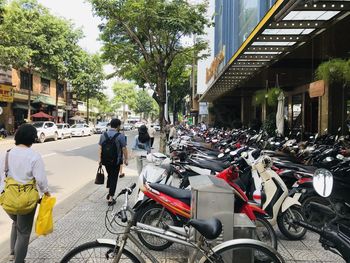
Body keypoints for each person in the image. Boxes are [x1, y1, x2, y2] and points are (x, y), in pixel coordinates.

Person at [0, 124, 50, 263]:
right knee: (24, 232)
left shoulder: (6, 153)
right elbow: (41, 180)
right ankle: (18, 260)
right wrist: (46, 193)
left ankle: (12, 254)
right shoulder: (34, 156)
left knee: (16, 223)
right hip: (26, 201)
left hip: (7, 199)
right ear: (32, 139)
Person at [98, 118, 128, 206]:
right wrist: (126, 159)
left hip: (105, 161)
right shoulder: (120, 136)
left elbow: (100, 148)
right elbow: (124, 148)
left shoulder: (103, 135)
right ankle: (111, 198)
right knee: (114, 178)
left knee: (110, 175)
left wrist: (99, 159)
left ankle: (109, 192)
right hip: (116, 161)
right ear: (118, 126)